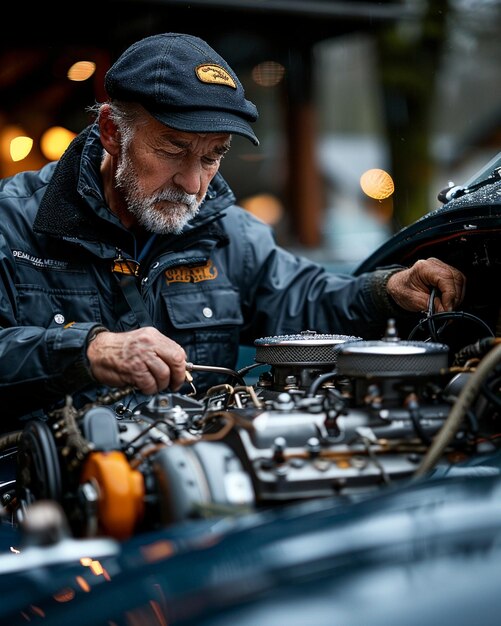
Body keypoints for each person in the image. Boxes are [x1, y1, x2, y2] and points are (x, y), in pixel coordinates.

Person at [0, 32, 466, 422]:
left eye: (212, 155)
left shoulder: (228, 234)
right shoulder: (12, 224)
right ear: (111, 133)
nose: (192, 182)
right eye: (172, 149)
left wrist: (389, 290)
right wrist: (85, 350)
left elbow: (306, 300)